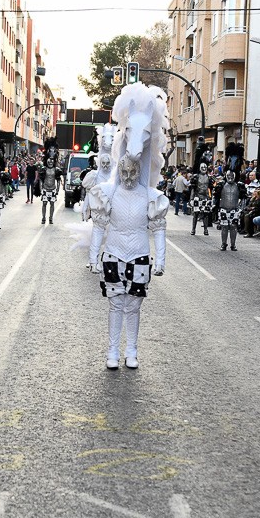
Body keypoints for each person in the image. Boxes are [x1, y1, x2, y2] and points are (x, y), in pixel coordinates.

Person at [87, 83, 168, 369]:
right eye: (125, 169)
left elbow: (159, 229)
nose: (129, 173)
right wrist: (93, 253)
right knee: (115, 304)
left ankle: (131, 351)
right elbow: (99, 226)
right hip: (114, 253)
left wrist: (161, 257)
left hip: (139, 255)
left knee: (134, 305)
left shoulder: (152, 197)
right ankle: (112, 352)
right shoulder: (108, 194)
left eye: (134, 169)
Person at [214, 170, 246, 252]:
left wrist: (241, 208)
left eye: (232, 176)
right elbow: (216, 196)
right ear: (226, 175)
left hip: (234, 209)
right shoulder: (221, 185)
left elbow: (243, 198)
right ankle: (223, 244)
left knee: (233, 227)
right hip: (224, 208)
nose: (230, 177)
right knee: (224, 227)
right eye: (228, 175)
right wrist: (215, 205)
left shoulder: (239, 186)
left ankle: (233, 244)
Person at [38, 154, 63, 225]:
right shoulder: (44, 169)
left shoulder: (56, 170)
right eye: (49, 161)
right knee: (44, 203)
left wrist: (58, 190)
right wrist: (40, 189)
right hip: (45, 189)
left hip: (52, 189)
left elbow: (58, 180)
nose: (50, 162)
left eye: (52, 161)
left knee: (52, 203)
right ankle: (43, 217)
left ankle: (51, 218)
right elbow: (41, 180)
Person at [190, 162, 213, 235]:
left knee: (205, 214)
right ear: (200, 168)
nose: (204, 169)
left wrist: (210, 197)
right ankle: (193, 229)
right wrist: (191, 198)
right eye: (202, 167)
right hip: (197, 196)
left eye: (205, 168)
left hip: (205, 197)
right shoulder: (196, 177)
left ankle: (205, 229)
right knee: (196, 214)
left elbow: (210, 188)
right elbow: (193, 188)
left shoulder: (209, 177)